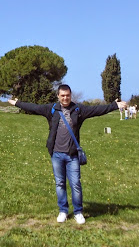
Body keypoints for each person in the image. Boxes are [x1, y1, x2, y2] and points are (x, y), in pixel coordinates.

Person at [8, 84, 127, 225]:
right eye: (62, 95)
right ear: (58, 96)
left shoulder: (78, 109)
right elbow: (33, 107)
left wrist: (114, 105)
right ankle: (63, 211)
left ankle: (78, 212)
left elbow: (97, 110)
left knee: (76, 184)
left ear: (71, 95)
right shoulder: (51, 109)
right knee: (60, 183)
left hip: (72, 155)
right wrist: (17, 103)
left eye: (68, 95)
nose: (65, 98)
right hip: (56, 154)